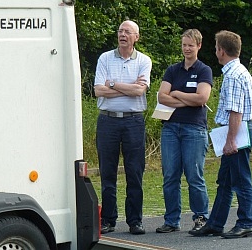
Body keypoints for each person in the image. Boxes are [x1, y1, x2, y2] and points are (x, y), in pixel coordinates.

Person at [190, 30, 252, 238]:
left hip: (238, 132)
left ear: (221, 50)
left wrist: (230, 141)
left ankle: (246, 222)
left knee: (241, 180)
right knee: (225, 181)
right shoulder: (236, 71)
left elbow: (235, 112)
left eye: (216, 47)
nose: (215, 51)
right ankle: (216, 223)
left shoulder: (233, 76)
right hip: (238, 130)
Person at [94, 20, 152, 235]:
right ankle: (108, 219)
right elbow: (98, 91)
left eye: (128, 31)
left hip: (133, 121)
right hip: (108, 121)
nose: (123, 34)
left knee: (134, 172)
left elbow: (140, 92)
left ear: (136, 37)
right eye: (120, 31)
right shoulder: (105, 58)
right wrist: (127, 87)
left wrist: (112, 84)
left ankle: (135, 220)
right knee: (107, 172)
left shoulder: (144, 61)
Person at [155, 29, 212, 234]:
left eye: (190, 45)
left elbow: (201, 99)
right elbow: (162, 97)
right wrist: (187, 100)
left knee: (194, 175)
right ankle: (172, 220)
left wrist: (177, 93)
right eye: (184, 45)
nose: (186, 49)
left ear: (198, 45)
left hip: (194, 129)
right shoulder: (173, 70)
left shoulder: (204, 70)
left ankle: (201, 218)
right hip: (170, 127)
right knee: (170, 175)